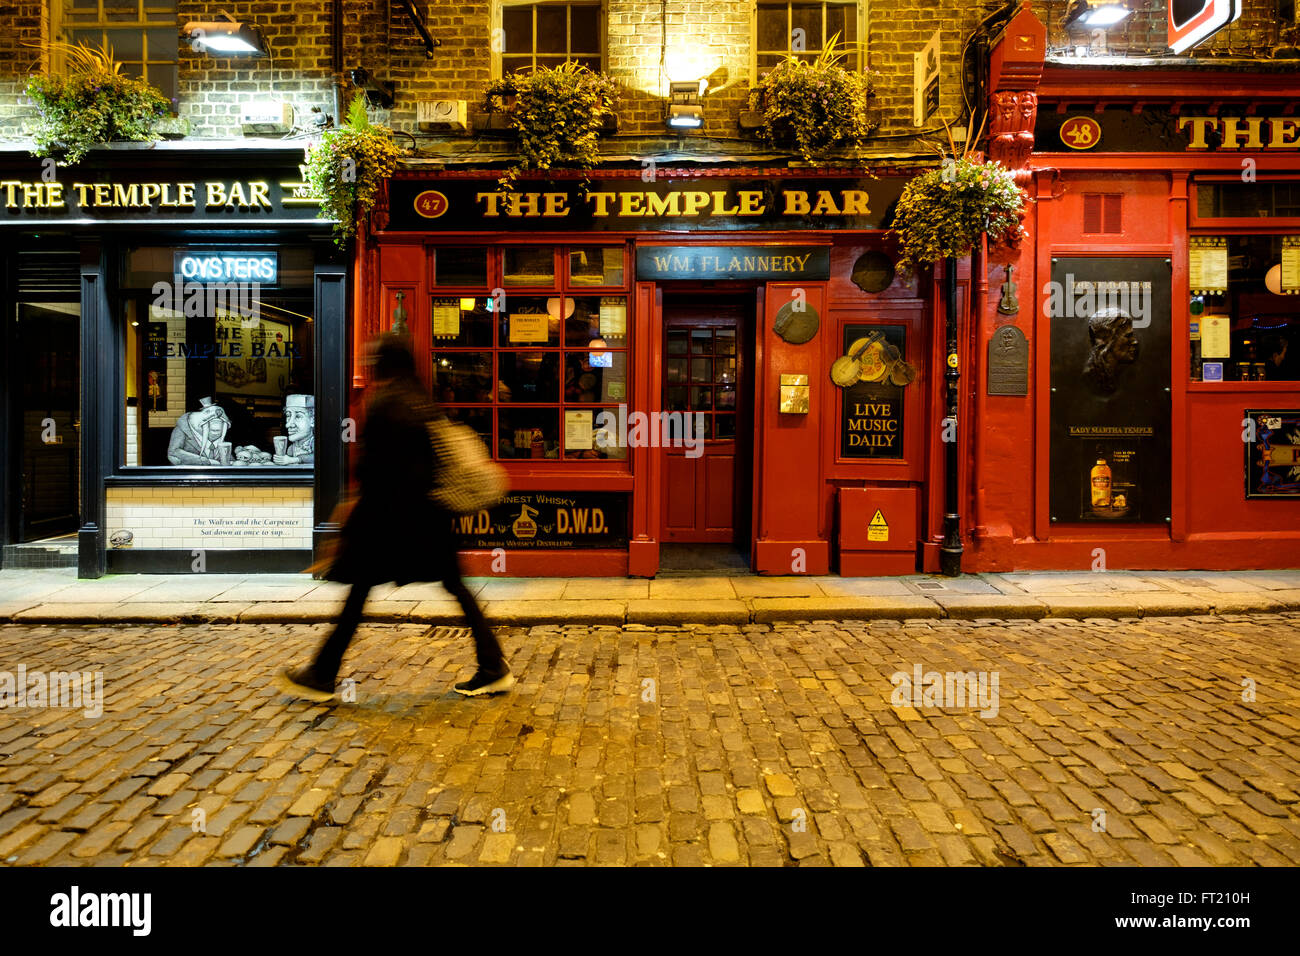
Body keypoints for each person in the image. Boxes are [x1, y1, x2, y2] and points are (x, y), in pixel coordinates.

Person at [277, 335, 513, 701]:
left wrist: (349, 522)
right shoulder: (423, 401)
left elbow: (373, 474)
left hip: (391, 521)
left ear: (382, 366)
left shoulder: (385, 403)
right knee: (455, 587)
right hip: (430, 517)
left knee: (358, 594)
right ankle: (493, 665)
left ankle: (322, 674)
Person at [166, 398, 230, 465]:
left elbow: (226, 459)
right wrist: (206, 461)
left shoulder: (220, 438)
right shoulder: (183, 427)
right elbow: (173, 452)